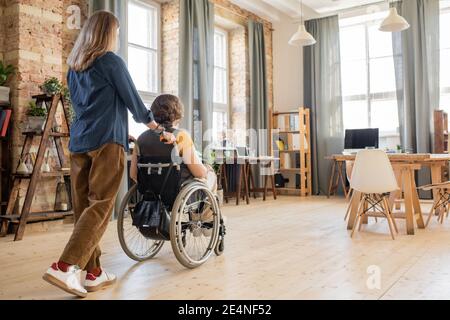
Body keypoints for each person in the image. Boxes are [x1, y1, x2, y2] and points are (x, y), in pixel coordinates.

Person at [42, 11, 175, 298]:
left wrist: (119, 129)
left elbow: (88, 107)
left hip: (79, 143)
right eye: (116, 32)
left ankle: (92, 273)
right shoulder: (111, 61)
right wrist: (158, 129)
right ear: (107, 34)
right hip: (106, 143)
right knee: (100, 206)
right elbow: (135, 104)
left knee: (84, 209)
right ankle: (65, 267)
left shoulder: (74, 66)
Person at [130, 94, 217, 193]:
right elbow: (199, 173)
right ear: (177, 115)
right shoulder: (180, 136)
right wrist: (207, 169)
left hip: (150, 192)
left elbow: (133, 174)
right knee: (210, 174)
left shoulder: (141, 139)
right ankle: (209, 208)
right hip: (177, 193)